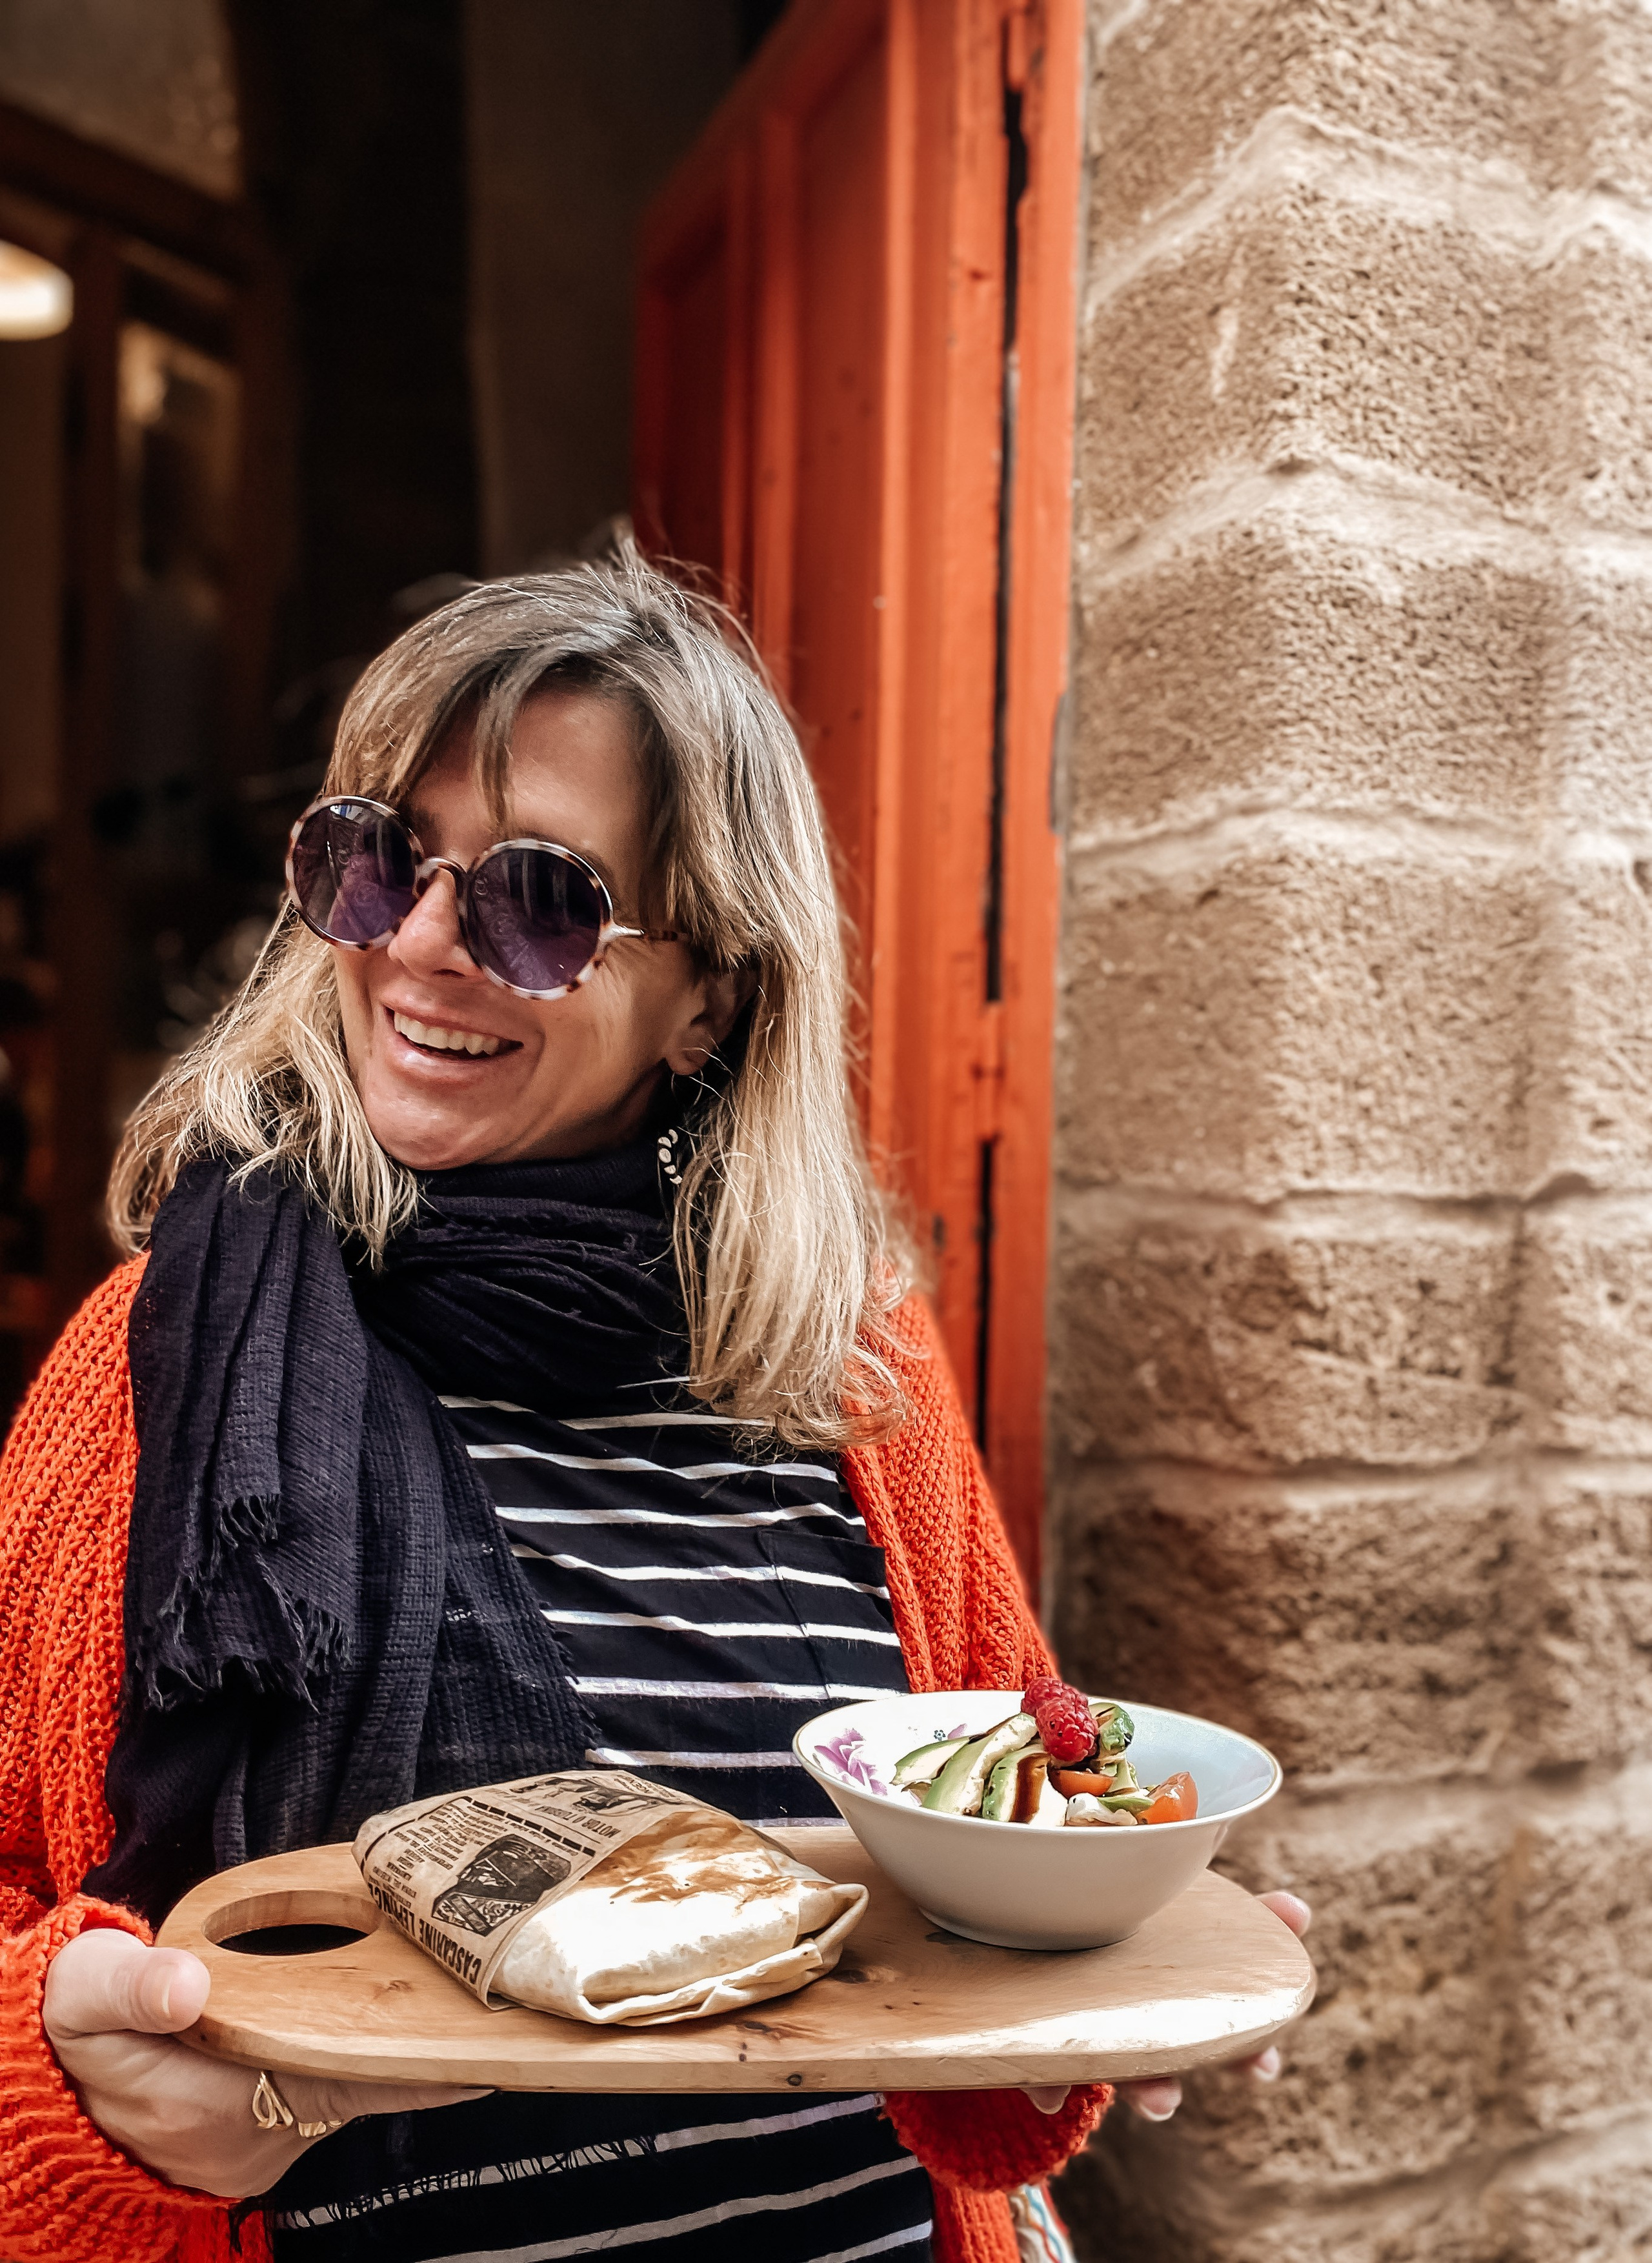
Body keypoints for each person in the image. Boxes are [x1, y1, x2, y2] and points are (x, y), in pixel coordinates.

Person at [0, 549, 1307, 2263]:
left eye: (537, 899)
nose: (420, 944)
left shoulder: (853, 1370)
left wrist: (1103, 1972)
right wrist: (74, 2087)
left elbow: (989, 1909)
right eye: (376, 860)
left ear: (711, 996)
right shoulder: (152, 1363)